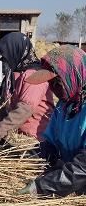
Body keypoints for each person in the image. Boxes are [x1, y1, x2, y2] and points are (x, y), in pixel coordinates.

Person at [18, 45, 86, 197]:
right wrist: (25, 159)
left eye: (57, 82)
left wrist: (42, 187)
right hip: (76, 185)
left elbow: (83, 168)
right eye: (50, 83)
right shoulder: (65, 106)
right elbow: (50, 146)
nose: (53, 89)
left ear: (73, 75)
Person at [0, 32, 54, 142]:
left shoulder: (35, 76)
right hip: (17, 136)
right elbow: (3, 107)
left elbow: (24, 110)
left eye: (5, 59)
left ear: (15, 53)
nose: (4, 63)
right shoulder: (14, 76)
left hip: (34, 141)